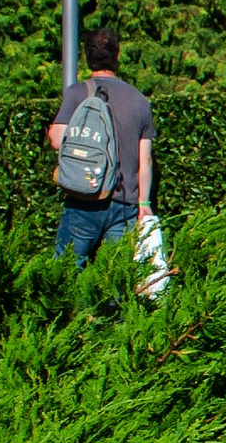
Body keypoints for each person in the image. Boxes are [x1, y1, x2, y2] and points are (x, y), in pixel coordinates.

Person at [49, 25, 154, 268]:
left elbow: (57, 140)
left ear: (87, 56)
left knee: (68, 270)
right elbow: (145, 160)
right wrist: (144, 203)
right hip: (124, 204)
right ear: (117, 55)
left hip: (84, 197)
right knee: (114, 274)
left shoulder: (78, 92)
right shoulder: (139, 100)